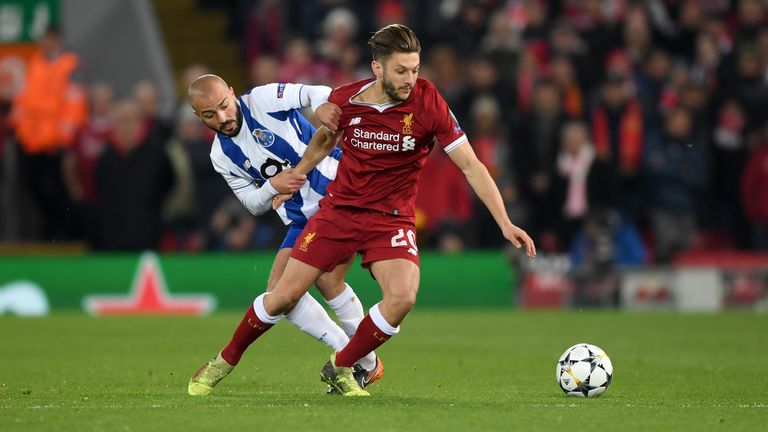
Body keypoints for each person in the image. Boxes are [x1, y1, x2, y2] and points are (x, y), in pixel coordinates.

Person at [205, 24, 536, 397]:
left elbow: (471, 165)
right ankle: (225, 362)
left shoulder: (428, 102)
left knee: (402, 297)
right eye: (401, 70)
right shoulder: (349, 100)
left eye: (415, 69)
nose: (411, 79)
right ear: (378, 68)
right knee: (285, 294)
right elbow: (322, 139)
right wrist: (293, 177)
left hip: (391, 217)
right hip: (339, 211)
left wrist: (505, 222)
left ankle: (343, 364)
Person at [185, 75, 381, 396]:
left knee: (324, 282)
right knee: (280, 297)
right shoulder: (221, 156)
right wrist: (271, 187)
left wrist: (320, 109)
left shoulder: (262, 101)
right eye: (210, 115)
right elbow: (252, 203)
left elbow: (317, 92)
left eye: (223, 106)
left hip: (339, 193)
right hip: (302, 220)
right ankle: (361, 359)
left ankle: (359, 362)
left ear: (232, 93)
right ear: (198, 116)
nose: (222, 119)